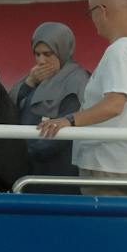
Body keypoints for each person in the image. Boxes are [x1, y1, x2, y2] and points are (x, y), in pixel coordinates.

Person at [38, 0, 127, 193]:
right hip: (117, 162)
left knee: (104, 225)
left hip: (107, 165)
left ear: (101, 11)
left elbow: (114, 104)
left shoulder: (119, 50)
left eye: (90, 13)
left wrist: (68, 120)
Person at [12, 22, 89, 184]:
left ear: (62, 51)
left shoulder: (77, 80)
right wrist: (30, 82)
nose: (41, 61)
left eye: (47, 54)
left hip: (60, 171)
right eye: (37, 54)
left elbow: (67, 124)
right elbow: (11, 110)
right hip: (30, 169)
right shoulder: (36, 79)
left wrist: (25, 153)